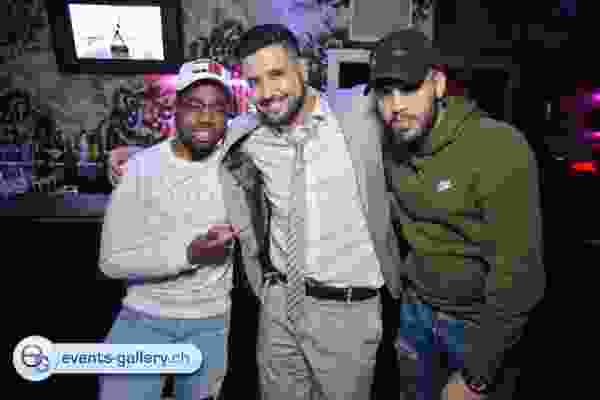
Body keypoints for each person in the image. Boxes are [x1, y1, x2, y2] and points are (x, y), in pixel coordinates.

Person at [111, 23, 403, 400]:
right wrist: (141, 156)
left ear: (303, 69)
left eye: (276, 74)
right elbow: (201, 134)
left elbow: (413, 115)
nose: (266, 92)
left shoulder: (357, 114)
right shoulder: (249, 131)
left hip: (346, 310)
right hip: (278, 303)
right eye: (255, 81)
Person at [348, 28, 545, 399]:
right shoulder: (393, 144)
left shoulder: (498, 147)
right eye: (384, 93)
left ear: (437, 84)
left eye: (409, 88)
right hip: (415, 312)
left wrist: (478, 375)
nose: (395, 106)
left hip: (477, 326)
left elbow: (520, 278)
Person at [98, 58, 240, 400]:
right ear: (175, 107)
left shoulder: (237, 163)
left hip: (211, 322)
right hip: (145, 317)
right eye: (195, 105)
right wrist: (189, 255)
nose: (206, 117)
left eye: (217, 107)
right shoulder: (140, 168)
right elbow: (110, 262)